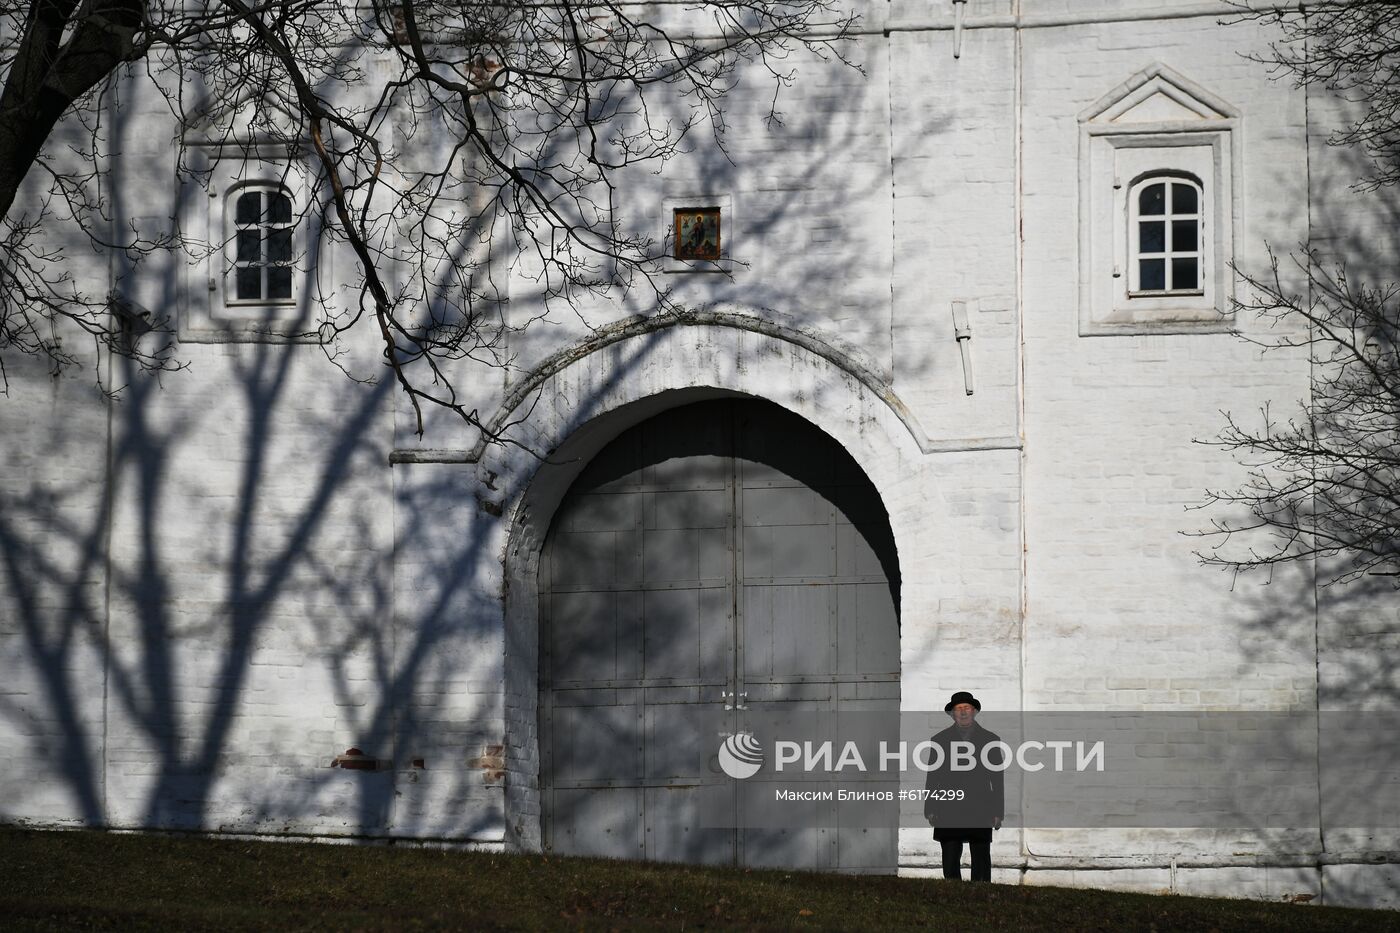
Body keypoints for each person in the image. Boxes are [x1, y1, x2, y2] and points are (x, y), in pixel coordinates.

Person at [923, 690, 1004, 882]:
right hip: (949, 805)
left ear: (974, 711)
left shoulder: (990, 740)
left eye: (967, 707)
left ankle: (982, 892)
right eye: (959, 709)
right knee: (950, 852)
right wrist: (931, 808)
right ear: (952, 714)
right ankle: (952, 893)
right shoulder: (940, 740)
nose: (963, 712)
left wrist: (998, 811)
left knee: (981, 853)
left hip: (980, 805)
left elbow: (997, 779)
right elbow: (933, 777)